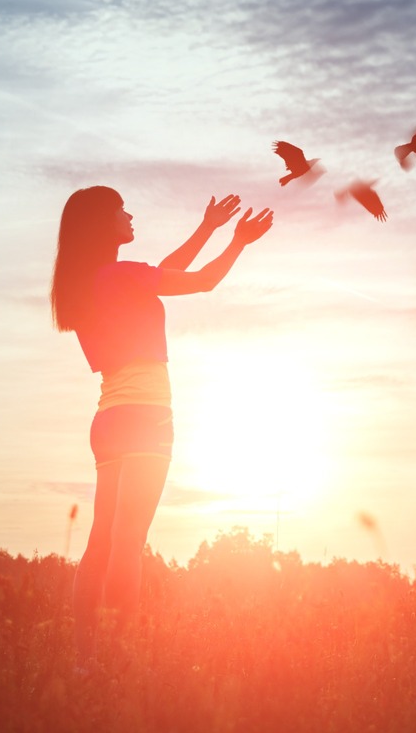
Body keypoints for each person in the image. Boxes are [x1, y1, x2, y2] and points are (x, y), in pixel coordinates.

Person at [50, 186, 274, 668]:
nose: (130, 216)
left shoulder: (94, 280)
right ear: (101, 225)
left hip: (108, 419)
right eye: (120, 211)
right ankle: (117, 659)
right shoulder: (122, 275)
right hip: (148, 415)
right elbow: (203, 281)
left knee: (101, 541)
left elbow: (163, 272)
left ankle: (86, 658)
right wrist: (238, 241)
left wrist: (208, 228)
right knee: (128, 542)